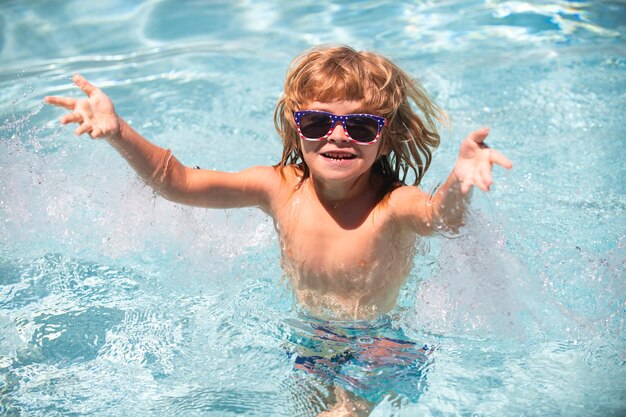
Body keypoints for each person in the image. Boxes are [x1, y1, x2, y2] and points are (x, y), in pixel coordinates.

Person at [44, 45, 512, 416]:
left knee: (345, 413)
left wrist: (460, 182)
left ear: (386, 137)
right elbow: (179, 182)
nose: (338, 136)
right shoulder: (279, 188)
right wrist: (118, 131)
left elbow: (440, 219)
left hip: (382, 341)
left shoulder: (392, 204)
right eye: (317, 121)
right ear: (296, 127)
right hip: (312, 337)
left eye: (362, 127)